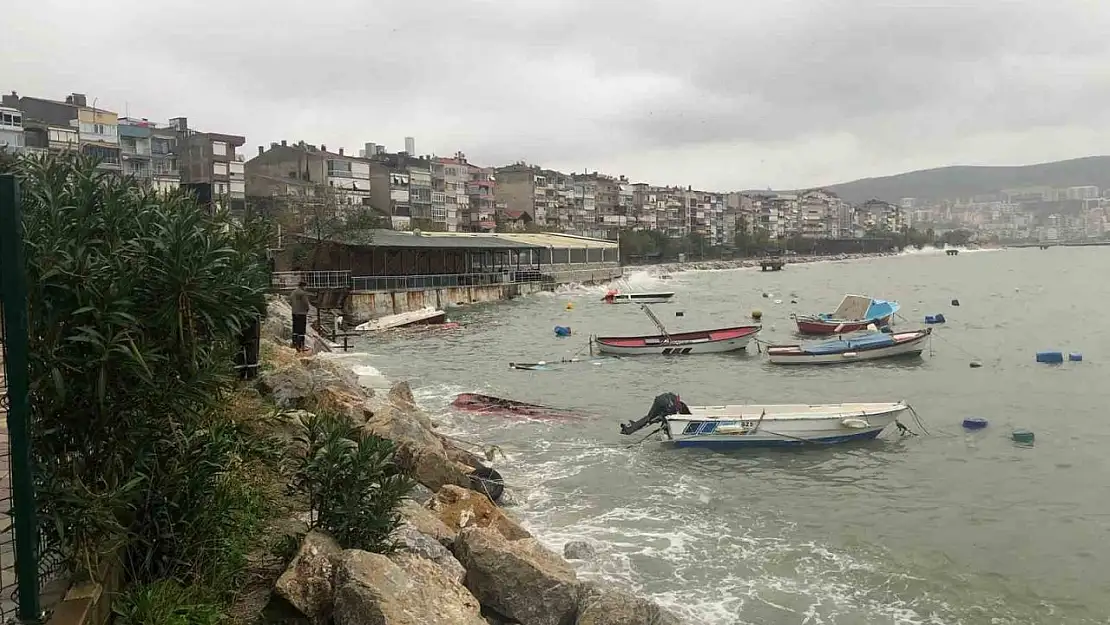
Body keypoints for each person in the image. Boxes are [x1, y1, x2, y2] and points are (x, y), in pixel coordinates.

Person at [289, 281, 312, 351]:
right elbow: (306, 303)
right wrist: (307, 309)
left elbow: (290, 301)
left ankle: (294, 343)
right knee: (301, 330)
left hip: (294, 312)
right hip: (302, 313)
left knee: (295, 328)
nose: (306, 288)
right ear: (303, 286)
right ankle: (301, 345)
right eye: (305, 286)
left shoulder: (293, 292)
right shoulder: (303, 293)